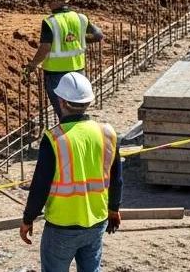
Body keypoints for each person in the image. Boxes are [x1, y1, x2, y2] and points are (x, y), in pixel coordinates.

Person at [20, 72, 122, 272]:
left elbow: (40, 186)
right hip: (96, 221)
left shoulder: (54, 138)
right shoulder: (107, 133)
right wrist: (113, 209)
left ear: (61, 101)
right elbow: (116, 179)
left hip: (61, 226)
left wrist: (28, 219)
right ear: (89, 101)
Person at [25, 0, 104, 119]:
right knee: (77, 107)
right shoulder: (80, 18)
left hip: (56, 74)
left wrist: (33, 65)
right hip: (78, 70)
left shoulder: (50, 22)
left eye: (48, 0)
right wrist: (78, 39)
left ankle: (68, 135)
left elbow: (45, 47)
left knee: (63, 112)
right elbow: (98, 35)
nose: (48, 4)